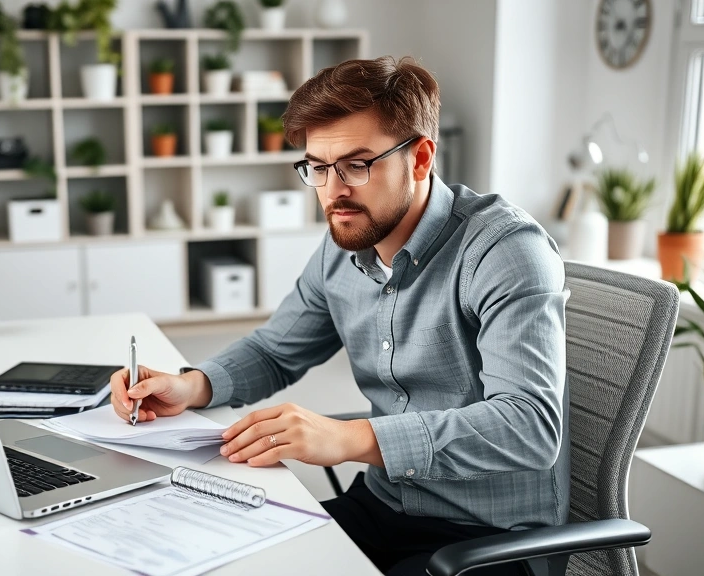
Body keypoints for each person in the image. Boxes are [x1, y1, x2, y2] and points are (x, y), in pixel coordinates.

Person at [110, 56, 568, 576]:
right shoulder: (347, 242)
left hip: (488, 538)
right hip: (382, 505)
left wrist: (350, 439)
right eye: (318, 168)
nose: (333, 192)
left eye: (357, 164)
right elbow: (274, 350)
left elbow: (530, 426)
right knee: (231, 561)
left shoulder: (504, 250)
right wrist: (191, 386)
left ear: (420, 159)